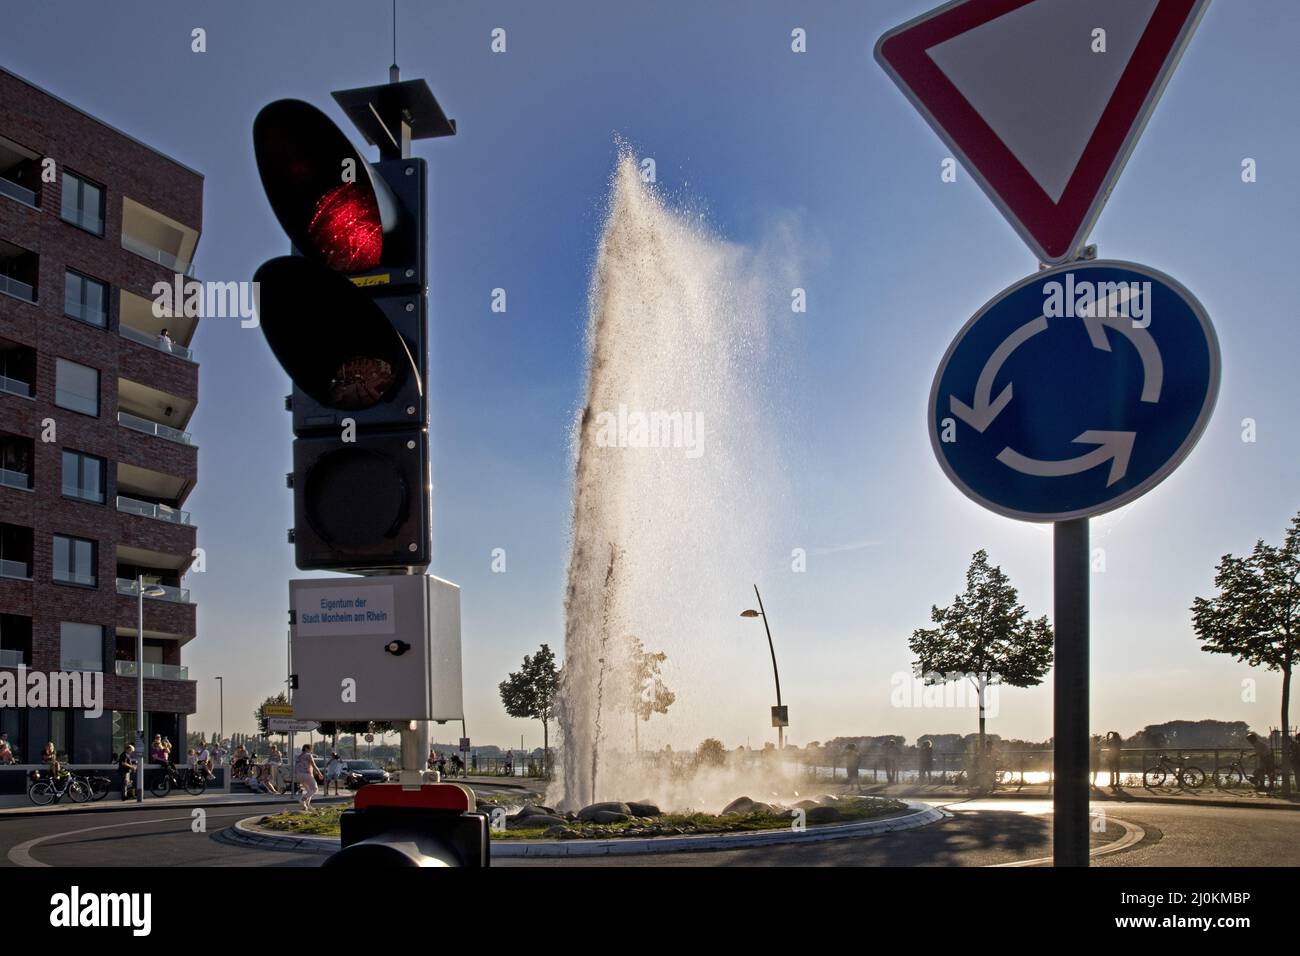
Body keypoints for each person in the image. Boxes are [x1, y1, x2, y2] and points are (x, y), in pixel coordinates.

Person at [295, 744, 321, 811]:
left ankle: (306, 806)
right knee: (315, 789)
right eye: (310, 749)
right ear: (306, 748)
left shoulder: (298, 756)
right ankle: (302, 800)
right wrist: (319, 773)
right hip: (306, 775)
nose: (311, 750)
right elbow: (314, 765)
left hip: (298, 775)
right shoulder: (308, 755)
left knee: (309, 791)